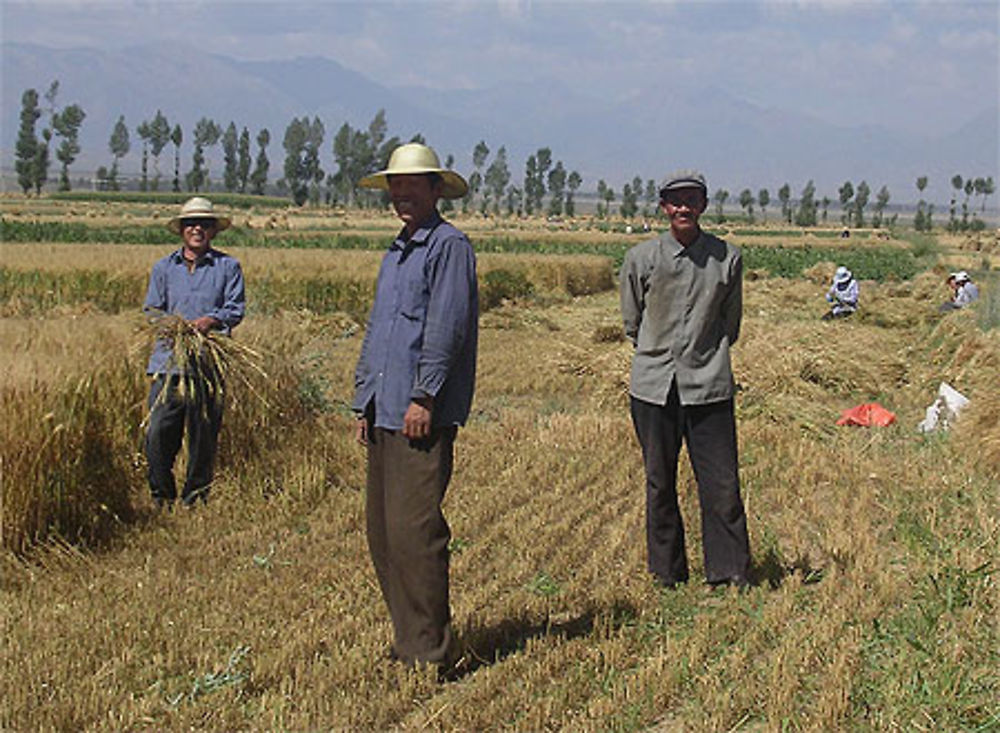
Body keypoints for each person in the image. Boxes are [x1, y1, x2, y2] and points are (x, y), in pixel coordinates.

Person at [352, 143, 478, 675]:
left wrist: (424, 395)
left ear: (434, 189)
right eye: (394, 187)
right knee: (383, 535)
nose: (401, 195)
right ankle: (409, 640)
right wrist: (365, 399)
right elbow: (380, 330)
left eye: (412, 185)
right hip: (384, 408)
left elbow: (445, 328)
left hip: (417, 411)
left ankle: (431, 651)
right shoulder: (398, 249)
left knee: (415, 533)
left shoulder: (448, 247)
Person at [620, 170, 751, 590]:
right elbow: (631, 323)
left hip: (709, 385)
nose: (683, 208)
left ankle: (729, 572)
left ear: (704, 206)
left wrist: (703, 355)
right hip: (653, 387)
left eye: (691, 200)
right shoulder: (641, 259)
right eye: (675, 201)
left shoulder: (727, 259)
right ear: (663, 208)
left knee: (722, 483)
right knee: (659, 482)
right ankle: (667, 572)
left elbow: (731, 324)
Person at [143, 197, 245, 509]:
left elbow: (235, 309)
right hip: (168, 362)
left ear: (213, 231)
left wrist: (211, 321)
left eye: (203, 223)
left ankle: (195, 499)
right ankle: (162, 495)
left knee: (203, 435)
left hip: (207, 363)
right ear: (182, 230)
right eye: (190, 223)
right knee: (158, 432)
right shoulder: (164, 267)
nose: (197, 228)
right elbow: (151, 310)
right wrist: (172, 325)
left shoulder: (228, 267)